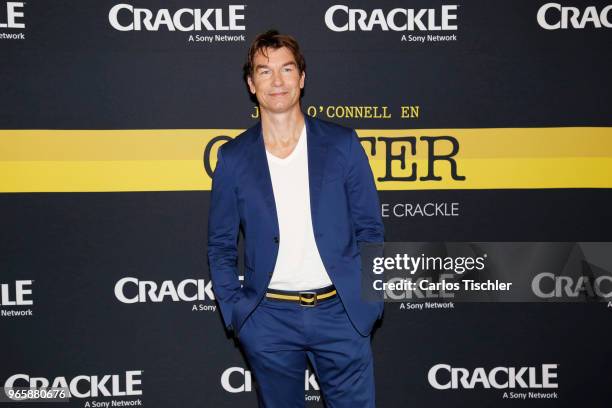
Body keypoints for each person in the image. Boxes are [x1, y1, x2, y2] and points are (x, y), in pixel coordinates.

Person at [207, 30, 384, 407]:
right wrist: (240, 315)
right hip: (268, 319)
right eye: (265, 71)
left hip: (342, 314)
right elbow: (221, 246)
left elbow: (370, 229)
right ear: (251, 84)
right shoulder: (234, 159)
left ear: (302, 78)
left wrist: (368, 304)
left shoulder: (342, 145)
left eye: (287, 69)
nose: (278, 81)